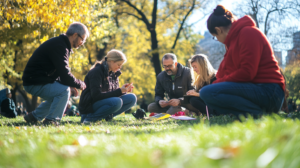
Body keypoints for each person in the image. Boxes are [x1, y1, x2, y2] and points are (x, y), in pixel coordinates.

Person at [200, 5, 285, 117]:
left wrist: (217, 84)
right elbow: (224, 72)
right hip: (255, 89)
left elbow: (247, 72)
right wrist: (217, 83)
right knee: (207, 92)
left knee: (207, 92)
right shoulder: (232, 43)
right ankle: (245, 115)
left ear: (218, 30)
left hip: (269, 91)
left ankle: (257, 115)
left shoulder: (248, 33)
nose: (218, 40)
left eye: (215, 36)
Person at [22, 22, 88, 125]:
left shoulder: (61, 44)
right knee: (63, 91)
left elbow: (60, 74)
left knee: (63, 91)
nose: (82, 43)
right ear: (75, 35)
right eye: (82, 39)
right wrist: (79, 84)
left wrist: (70, 84)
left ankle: (33, 117)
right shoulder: (60, 46)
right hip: (34, 82)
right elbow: (65, 75)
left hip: (37, 80)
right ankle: (52, 120)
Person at [79, 49, 137, 123]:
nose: (120, 67)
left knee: (132, 98)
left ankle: (105, 117)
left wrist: (123, 91)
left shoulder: (113, 73)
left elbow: (113, 94)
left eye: (121, 65)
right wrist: (119, 91)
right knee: (117, 102)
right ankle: (90, 119)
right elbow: (96, 96)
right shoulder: (96, 72)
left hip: (104, 103)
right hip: (90, 107)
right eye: (119, 64)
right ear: (111, 61)